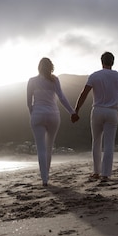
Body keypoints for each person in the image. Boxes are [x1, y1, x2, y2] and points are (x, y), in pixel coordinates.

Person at [72, 51, 118, 181]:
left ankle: (96, 172)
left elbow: (84, 93)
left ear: (101, 61)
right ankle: (105, 174)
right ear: (113, 62)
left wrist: (76, 110)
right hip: (112, 111)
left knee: (96, 142)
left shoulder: (95, 76)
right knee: (109, 144)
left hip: (97, 110)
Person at [27, 57, 77, 186]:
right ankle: (46, 174)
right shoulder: (55, 80)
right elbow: (62, 98)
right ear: (51, 68)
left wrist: (33, 114)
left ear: (39, 67)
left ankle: (44, 179)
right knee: (49, 147)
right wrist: (72, 112)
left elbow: (28, 102)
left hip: (37, 114)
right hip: (53, 115)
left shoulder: (32, 81)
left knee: (41, 148)